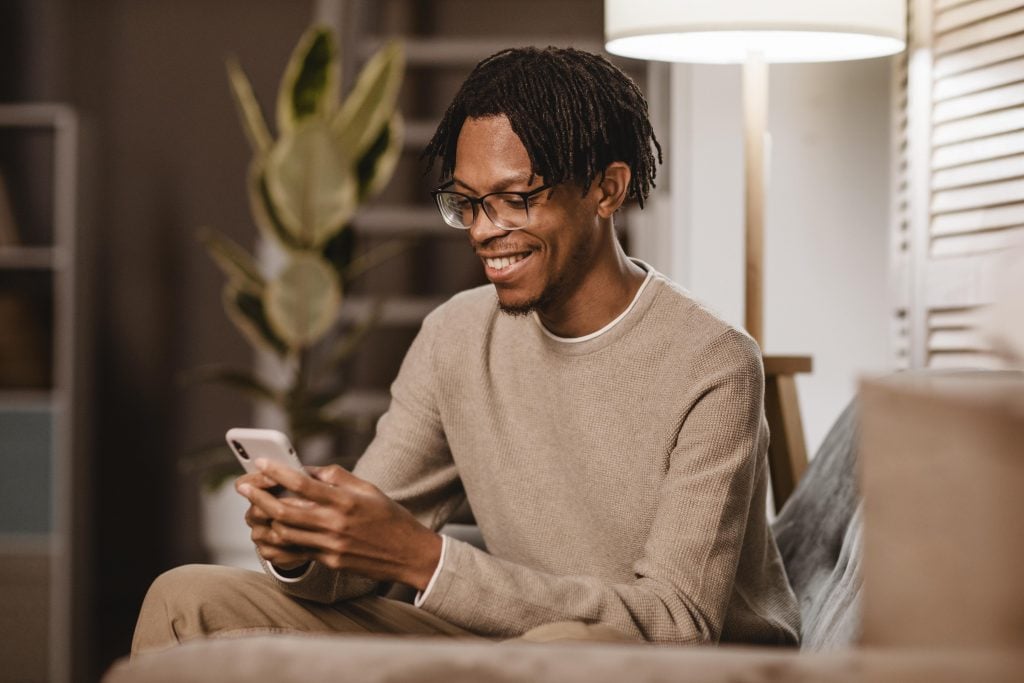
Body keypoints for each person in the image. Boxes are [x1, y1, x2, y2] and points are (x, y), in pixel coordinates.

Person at [132, 46, 800, 654]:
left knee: (565, 647)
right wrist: (307, 546)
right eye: (469, 204)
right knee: (185, 600)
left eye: (516, 199)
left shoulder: (713, 362)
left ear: (607, 188)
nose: (486, 230)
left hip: (664, 663)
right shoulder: (456, 336)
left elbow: (678, 625)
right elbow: (368, 552)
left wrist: (427, 560)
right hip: (510, 640)